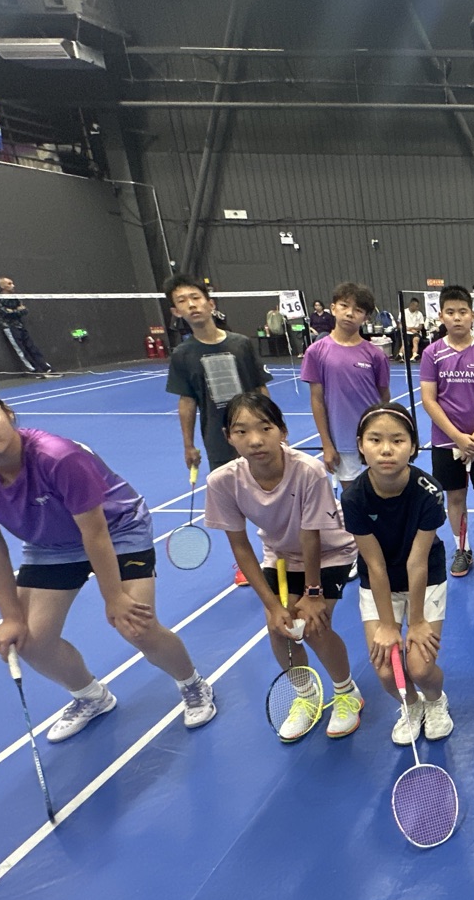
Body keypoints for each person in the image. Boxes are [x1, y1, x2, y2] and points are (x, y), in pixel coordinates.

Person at [0, 378, 216, 741]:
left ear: (7, 413)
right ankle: (91, 696)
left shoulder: (57, 456)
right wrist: (10, 616)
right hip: (50, 547)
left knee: (136, 625)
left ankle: (192, 683)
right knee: (30, 641)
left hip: (117, 529)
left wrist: (114, 597)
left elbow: (94, 532)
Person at [206, 392, 362, 743]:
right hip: (279, 555)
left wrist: (313, 593)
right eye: (241, 431)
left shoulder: (308, 470)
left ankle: (346, 691)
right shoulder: (222, 481)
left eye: (265, 428)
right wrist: (273, 606)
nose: (255, 440)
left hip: (330, 551)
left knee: (313, 626)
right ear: (228, 437)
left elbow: (311, 535)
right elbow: (240, 545)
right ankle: (306, 695)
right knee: (280, 628)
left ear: (283, 431)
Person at [343, 402, 455, 745]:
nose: (386, 449)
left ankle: (435, 700)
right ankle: (411, 705)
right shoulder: (353, 497)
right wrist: (389, 625)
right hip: (380, 581)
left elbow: (417, 561)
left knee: (420, 667)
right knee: (386, 671)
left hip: (425, 574)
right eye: (375, 440)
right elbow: (375, 565)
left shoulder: (429, 491)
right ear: (361, 445)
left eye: (397, 440)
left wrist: (416, 621)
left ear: (413, 446)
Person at [164, 276, 273, 586]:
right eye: (182, 301)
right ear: (176, 312)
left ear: (210, 303)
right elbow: (187, 402)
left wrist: (275, 428)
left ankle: (277, 553)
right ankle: (245, 565)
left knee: (271, 496)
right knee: (231, 509)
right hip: (218, 441)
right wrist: (188, 444)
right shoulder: (182, 355)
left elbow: (259, 388)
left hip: (256, 437)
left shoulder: (240, 344)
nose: (191, 304)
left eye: (195, 297)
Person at [419, 284, 474, 579]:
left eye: (463, 312)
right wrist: (457, 437)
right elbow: (429, 400)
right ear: (441, 316)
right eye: (450, 312)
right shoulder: (432, 354)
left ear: (472, 315)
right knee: (455, 497)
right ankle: (462, 549)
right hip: (446, 442)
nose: (457, 317)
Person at [299, 281, 391, 485]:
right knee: (352, 497)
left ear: (366, 317)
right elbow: (317, 400)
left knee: (383, 492)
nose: (350, 313)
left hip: (376, 439)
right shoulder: (316, 352)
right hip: (342, 441)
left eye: (358, 310)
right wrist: (327, 444)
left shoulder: (376, 355)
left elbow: (384, 397)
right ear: (333, 308)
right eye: (344, 306)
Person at [0, 277, 54, 376]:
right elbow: (5, 313)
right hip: (9, 327)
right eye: (9, 284)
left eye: (12, 283)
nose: (13, 285)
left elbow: (24, 310)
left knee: (32, 347)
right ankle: (35, 371)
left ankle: (46, 368)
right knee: (21, 350)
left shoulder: (15, 296)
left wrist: (13, 311)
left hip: (20, 325)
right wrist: (17, 310)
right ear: (3, 286)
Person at [404, 297, 426, 361]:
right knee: (405, 342)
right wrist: (408, 329)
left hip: (416, 333)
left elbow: (420, 327)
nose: (417, 308)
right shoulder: (404, 312)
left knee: (415, 340)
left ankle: (414, 354)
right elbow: (400, 325)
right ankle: (400, 354)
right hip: (406, 332)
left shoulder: (419, 314)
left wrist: (411, 328)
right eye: (416, 306)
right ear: (411, 305)